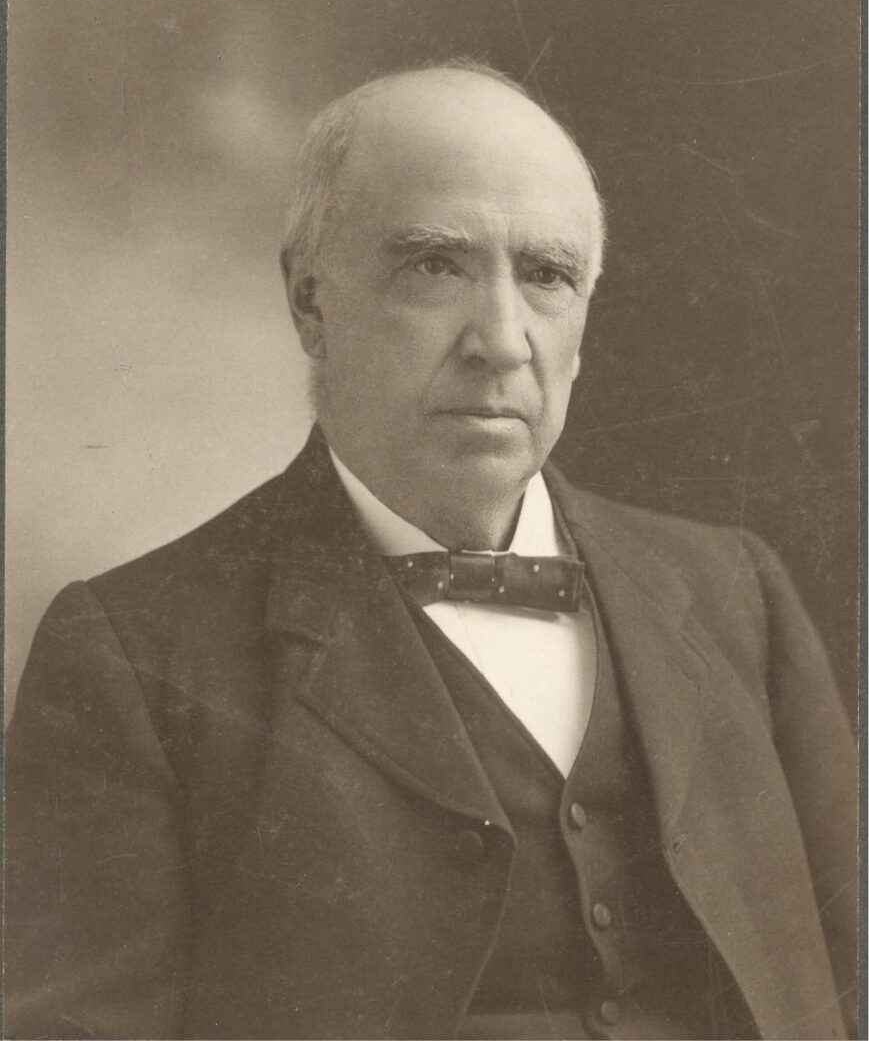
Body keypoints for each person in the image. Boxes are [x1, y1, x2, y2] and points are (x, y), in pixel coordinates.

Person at [5, 62, 857, 1041]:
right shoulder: (134, 654)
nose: (501, 340)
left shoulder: (734, 593)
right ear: (309, 306)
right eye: (434, 266)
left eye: (545, 276)